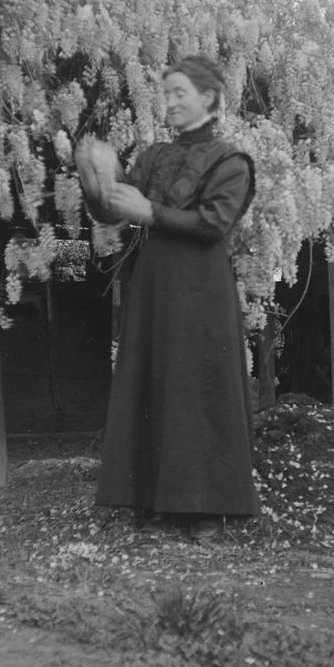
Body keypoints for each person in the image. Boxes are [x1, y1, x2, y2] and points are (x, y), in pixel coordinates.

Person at [74, 55, 260, 541]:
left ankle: (205, 509)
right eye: (167, 93)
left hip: (202, 289)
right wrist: (97, 179)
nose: (171, 102)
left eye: (180, 93)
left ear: (209, 98)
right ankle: (159, 501)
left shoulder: (231, 162)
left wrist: (150, 212)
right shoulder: (154, 157)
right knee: (158, 381)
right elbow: (115, 211)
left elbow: (214, 223)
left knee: (198, 387)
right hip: (155, 285)